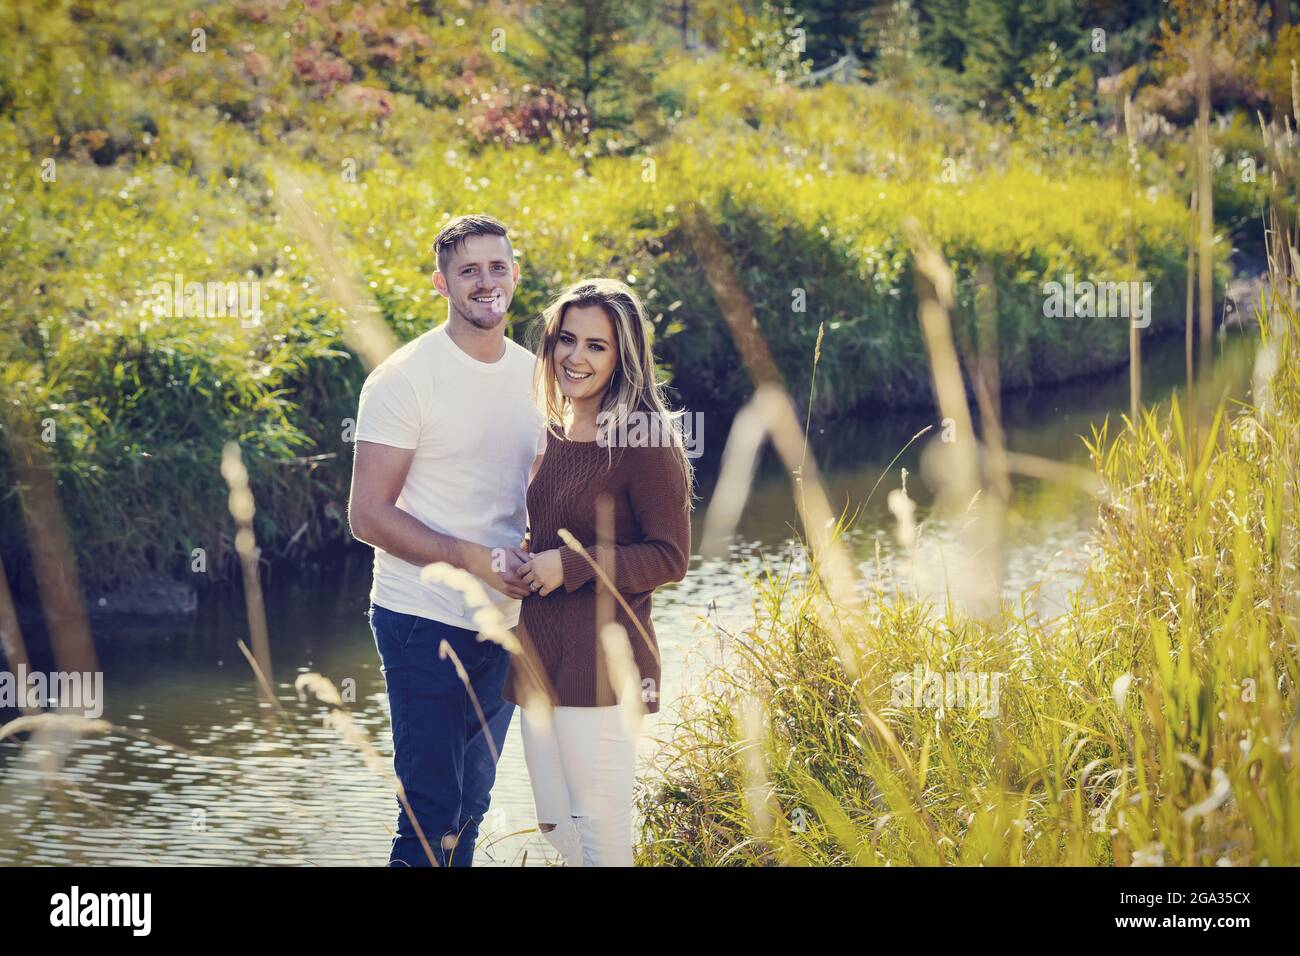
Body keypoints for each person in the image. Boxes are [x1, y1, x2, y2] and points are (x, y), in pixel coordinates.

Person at [348, 214, 544, 867]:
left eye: (496, 267)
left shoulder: (539, 377)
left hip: (506, 623)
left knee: (473, 805)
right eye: (468, 270)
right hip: (419, 619)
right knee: (430, 810)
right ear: (442, 284)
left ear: (515, 274)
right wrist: (474, 560)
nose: (485, 282)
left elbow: (540, 495)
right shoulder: (405, 379)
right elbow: (368, 516)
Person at [506, 278, 693, 866]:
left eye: (596, 346)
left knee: (603, 842)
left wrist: (569, 566)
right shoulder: (551, 430)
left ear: (623, 358)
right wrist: (521, 557)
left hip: (604, 668)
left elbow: (670, 557)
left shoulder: (645, 439)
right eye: (566, 340)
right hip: (538, 660)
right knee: (556, 828)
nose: (575, 357)